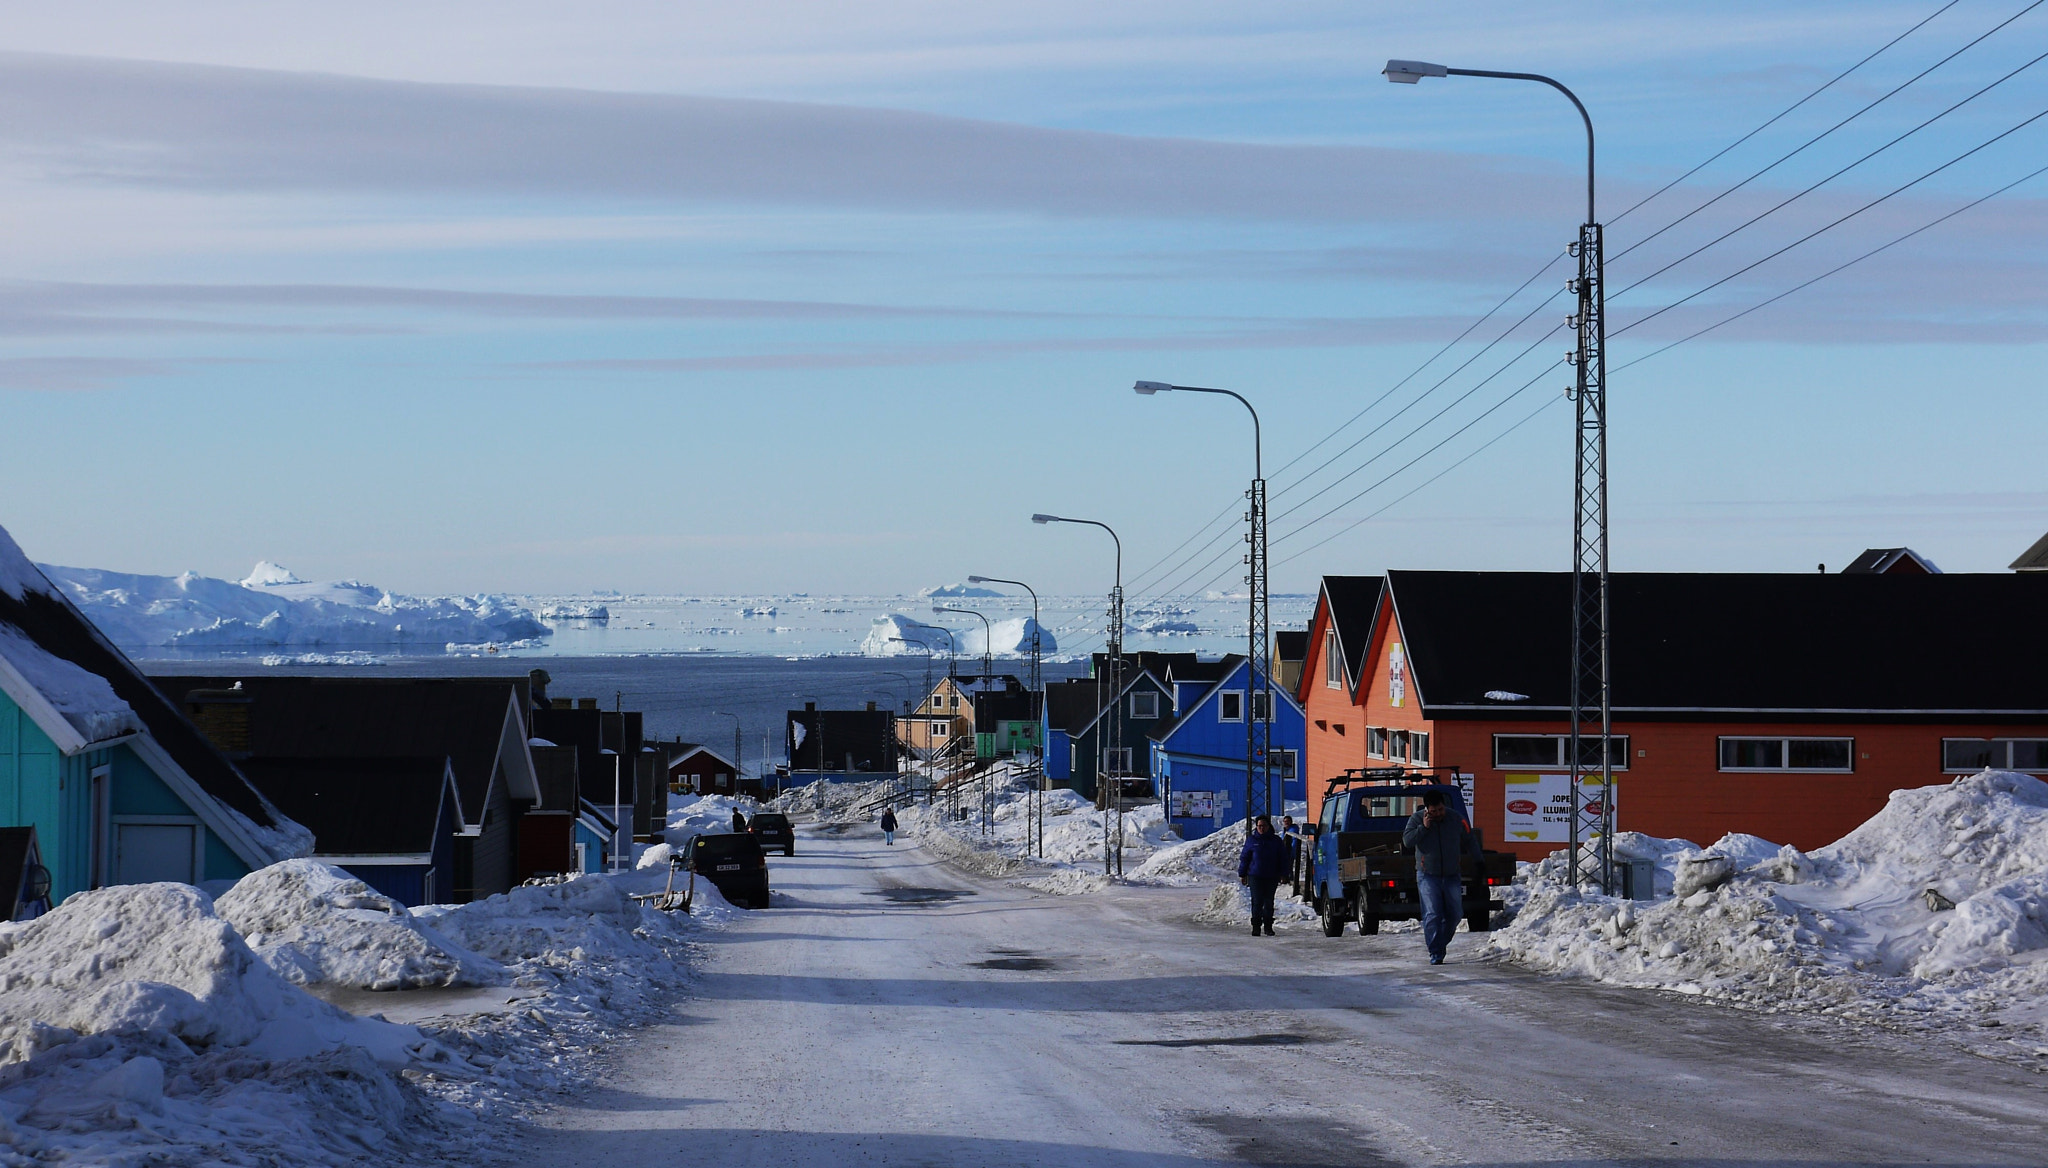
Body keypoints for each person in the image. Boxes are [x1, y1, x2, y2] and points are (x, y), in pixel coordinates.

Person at [1402, 789, 1480, 965]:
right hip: (1427, 874)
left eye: (1440, 810)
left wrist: (1479, 861)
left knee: (1455, 914)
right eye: (1434, 811)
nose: (1438, 814)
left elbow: (1470, 839)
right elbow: (1407, 841)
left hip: (1452, 874)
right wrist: (1424, 828)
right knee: (1433, 914)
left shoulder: (1455, 818)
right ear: (1427, 810)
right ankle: (1435, 952)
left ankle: (1439, 944)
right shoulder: (1416, 820)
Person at [1237, 815, 1291, 936]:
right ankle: (1256, 926)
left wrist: (1284, 874)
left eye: (1264, 826)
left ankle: (1268, 927)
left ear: (1268, 826)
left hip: (1271, 876)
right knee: (1257, 901)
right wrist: (1243, 874)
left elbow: (1283, 858)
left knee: (1268, 902)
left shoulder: (1276, 841)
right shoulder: (1252, 840)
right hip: (1255, 876)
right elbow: (1245, 858)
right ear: (1256, 827)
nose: (1262, 828)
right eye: (1259, 826)